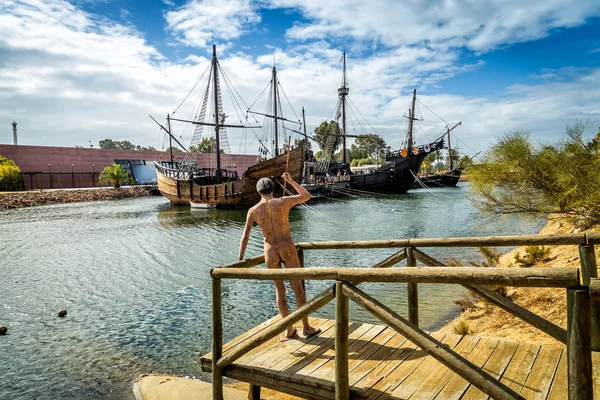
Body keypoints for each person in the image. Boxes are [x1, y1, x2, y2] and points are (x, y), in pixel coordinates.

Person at [238, 172, 321, 341]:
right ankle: (306, 327)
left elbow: (245, 236)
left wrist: (240, 259)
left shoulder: (253, 210)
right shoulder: (283, 202)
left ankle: (289, 330)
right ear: (273, 189)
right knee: (298, 289)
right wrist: (290, 181)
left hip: (270, 251)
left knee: (280, 290)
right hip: (287, 247)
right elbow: (307, 196)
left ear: (258, 192)